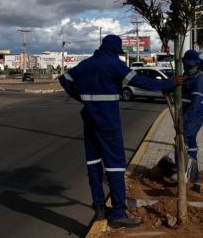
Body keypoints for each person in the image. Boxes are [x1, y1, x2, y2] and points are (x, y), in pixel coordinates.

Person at [58, 35, 184, 228]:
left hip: (89, 122)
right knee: (115, 166)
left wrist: (83, 98)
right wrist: (168, 83)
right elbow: (140, 81)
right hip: (108, 124)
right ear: (114, 50)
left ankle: (99, 208)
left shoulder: (86, 64)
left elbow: (64, 79)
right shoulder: (114, 65)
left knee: (93, 165)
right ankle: (118, 213)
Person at [180, 50, 203, 188]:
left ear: (197, 65)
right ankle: (192, 176)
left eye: (190, 66)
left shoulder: (200, 80)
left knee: (185, 139)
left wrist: (184, 120)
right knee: (190, 143)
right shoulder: (186, 76)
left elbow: (196, 104)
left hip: (195, 114)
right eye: (185, 66)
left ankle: (185, 175)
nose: (187, 69)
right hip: (185, 113)